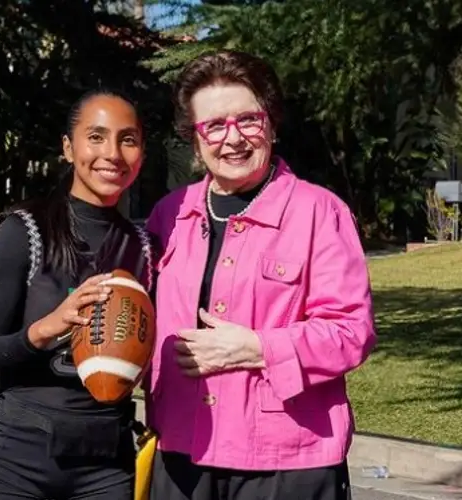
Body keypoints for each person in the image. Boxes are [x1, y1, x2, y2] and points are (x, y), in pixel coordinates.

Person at [144, 50, 377, 500]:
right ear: (195, 139)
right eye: (214, 125)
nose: (233, 139)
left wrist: (257, 348)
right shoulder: (168, 215)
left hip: (286, 460)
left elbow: (352, 331)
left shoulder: (318, 212)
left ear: (270, 124)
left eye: (247, 120)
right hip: (180, 451)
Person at [0, 88, 154, 500]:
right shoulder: (22, 231)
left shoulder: (144, 245)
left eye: (128, 139)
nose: (112, 152)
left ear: (141, 152)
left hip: (106, 458)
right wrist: (45, 329)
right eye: (96, 136)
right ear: (68, 148)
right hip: (19, 454)